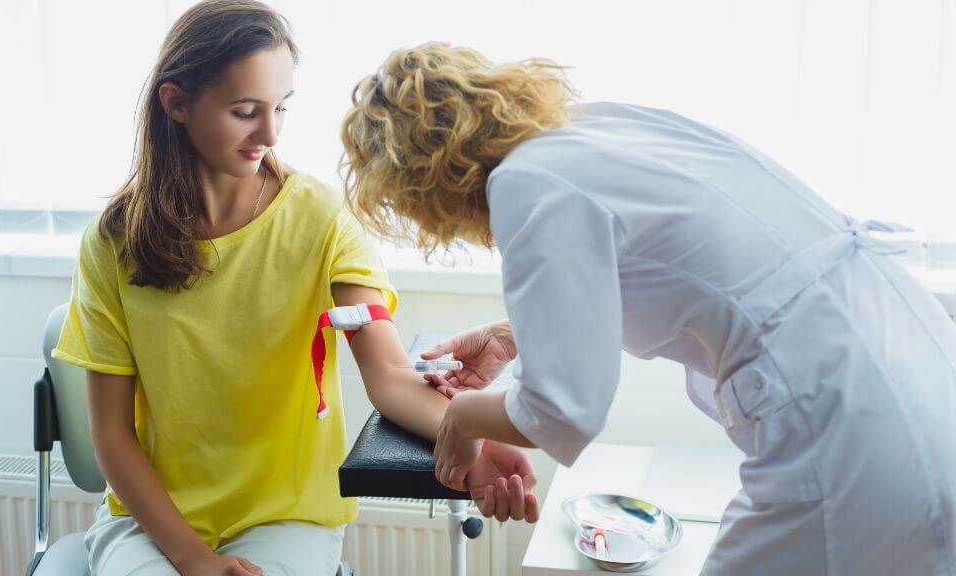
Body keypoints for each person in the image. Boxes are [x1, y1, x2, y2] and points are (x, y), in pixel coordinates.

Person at [339, 41, 956, 575]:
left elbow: (564, 413)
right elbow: (684, 269)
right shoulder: (599, 130)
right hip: (911, 357)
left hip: (845, 426)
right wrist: (513, 334)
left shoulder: (529, 185)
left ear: (418, 181)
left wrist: (463, 419)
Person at [51, 10, 538, 575]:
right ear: (176, 103)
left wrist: (472, 436)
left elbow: (389, 377)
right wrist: (194, 560)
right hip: (150, 523)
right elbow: (110, 434)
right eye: (245, 112)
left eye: (280, 107)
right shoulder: (114, 242)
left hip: (286, 519)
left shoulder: (320, 219)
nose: (270, 134)